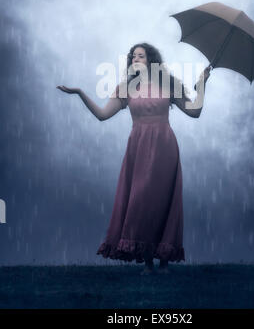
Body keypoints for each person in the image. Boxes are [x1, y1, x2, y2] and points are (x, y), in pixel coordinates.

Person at [56, 43, 211, 276]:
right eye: (133, 56)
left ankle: (164, 262)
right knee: (140, 202)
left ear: (151, 60)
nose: (136, 59)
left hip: (165, 148)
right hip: (138, 150)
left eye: (141, 55)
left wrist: (201, 85)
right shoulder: (126, 88)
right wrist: (80, 93)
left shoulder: (168, 83)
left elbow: (194, 112)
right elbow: (102, 115)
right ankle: (148, 262)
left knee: (163, 202)